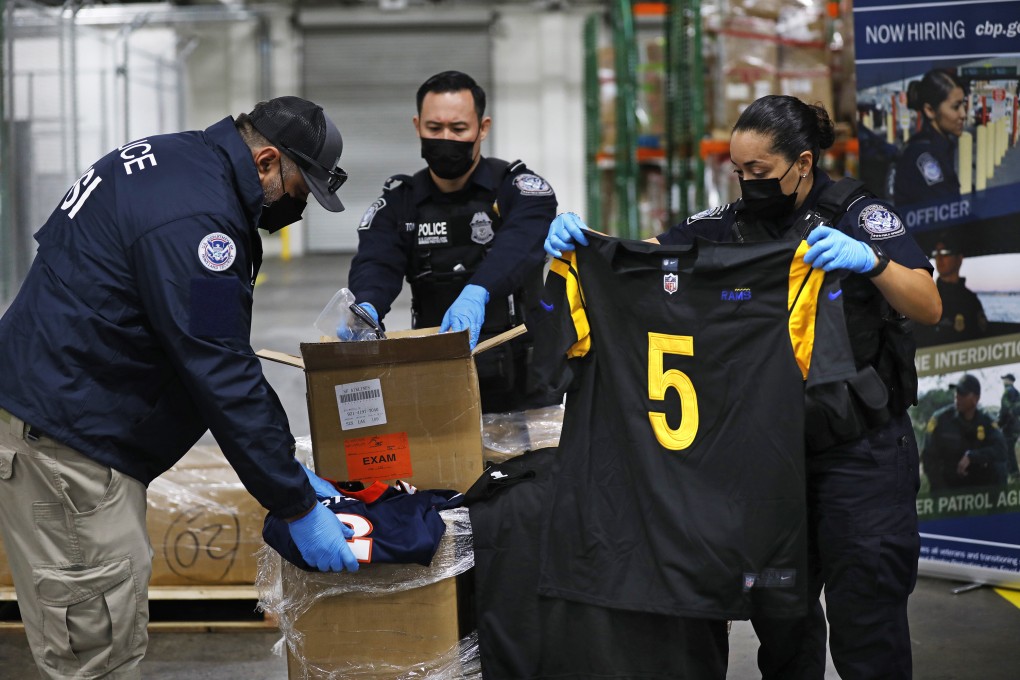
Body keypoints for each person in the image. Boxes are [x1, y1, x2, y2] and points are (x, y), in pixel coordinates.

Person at [547, 95, 942, 679]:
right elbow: (640, 258)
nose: (746, 181)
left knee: (869, 623)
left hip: (861, 456)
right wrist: (583, 242)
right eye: (738, 170)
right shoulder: (729, 224)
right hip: (770, 462)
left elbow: (930, 304)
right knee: (781, 620)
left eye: (759, 171)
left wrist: (872, 263)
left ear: (802, 163)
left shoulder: (858, 214)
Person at [0, 96, 361, 679]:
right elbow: (217, 367)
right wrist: (294, 502)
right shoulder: (200, 218)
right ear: (267, 161)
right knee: (96, 650)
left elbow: (213, 351)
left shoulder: (176, 159)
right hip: (69, 445)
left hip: (63, 416)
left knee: (99, 628)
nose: (297, 208)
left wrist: (288, 470)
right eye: (299, 190)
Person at [346, 70, 563, 414]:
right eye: (434, 128)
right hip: (440, 373)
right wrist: (368, 307)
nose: (445, 138)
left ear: (483, 127)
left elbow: (521, 242)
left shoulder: (517, 188)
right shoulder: (400, 203)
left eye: (458, 129)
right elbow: (377, 260)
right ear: (417, 126)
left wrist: (479, 291)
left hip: (526, 377)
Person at [893, 69, 967, 207]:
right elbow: (943, 213)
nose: (963, 114)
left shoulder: (940, 147)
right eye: (956, 107)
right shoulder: (923, 155)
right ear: (930, 110)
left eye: (964, 105)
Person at [922, 374, 1008, 490]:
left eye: (962, 393)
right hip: (948, 485)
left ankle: (997, 506)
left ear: (975, 399)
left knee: (1000, 466)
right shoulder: (940, 420)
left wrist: (973, 456)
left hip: (978, 483)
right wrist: (943, 491)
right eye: (956, 392)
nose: (957, 396)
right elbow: (928, 457)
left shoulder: (986, 421)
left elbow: (1001, 450)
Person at [913, 235, 988, 346]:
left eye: (945, 252)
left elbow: (981, 337)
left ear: (959, 259)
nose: (939, 257)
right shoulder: (926, 296)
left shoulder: (970, 300)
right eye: (936, 253)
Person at [998, 373, 1020, 479]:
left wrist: (999, 424)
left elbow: (1004, 410)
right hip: (1016, 427)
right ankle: (1012, 473)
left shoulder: (1007, 392)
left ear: (1010, 381)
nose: (1004, 382)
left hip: (1008, 427)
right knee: (1009, 450)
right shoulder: (1017, 393)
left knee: (1007, 451)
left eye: (1005, 380)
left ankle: (1013, 474)